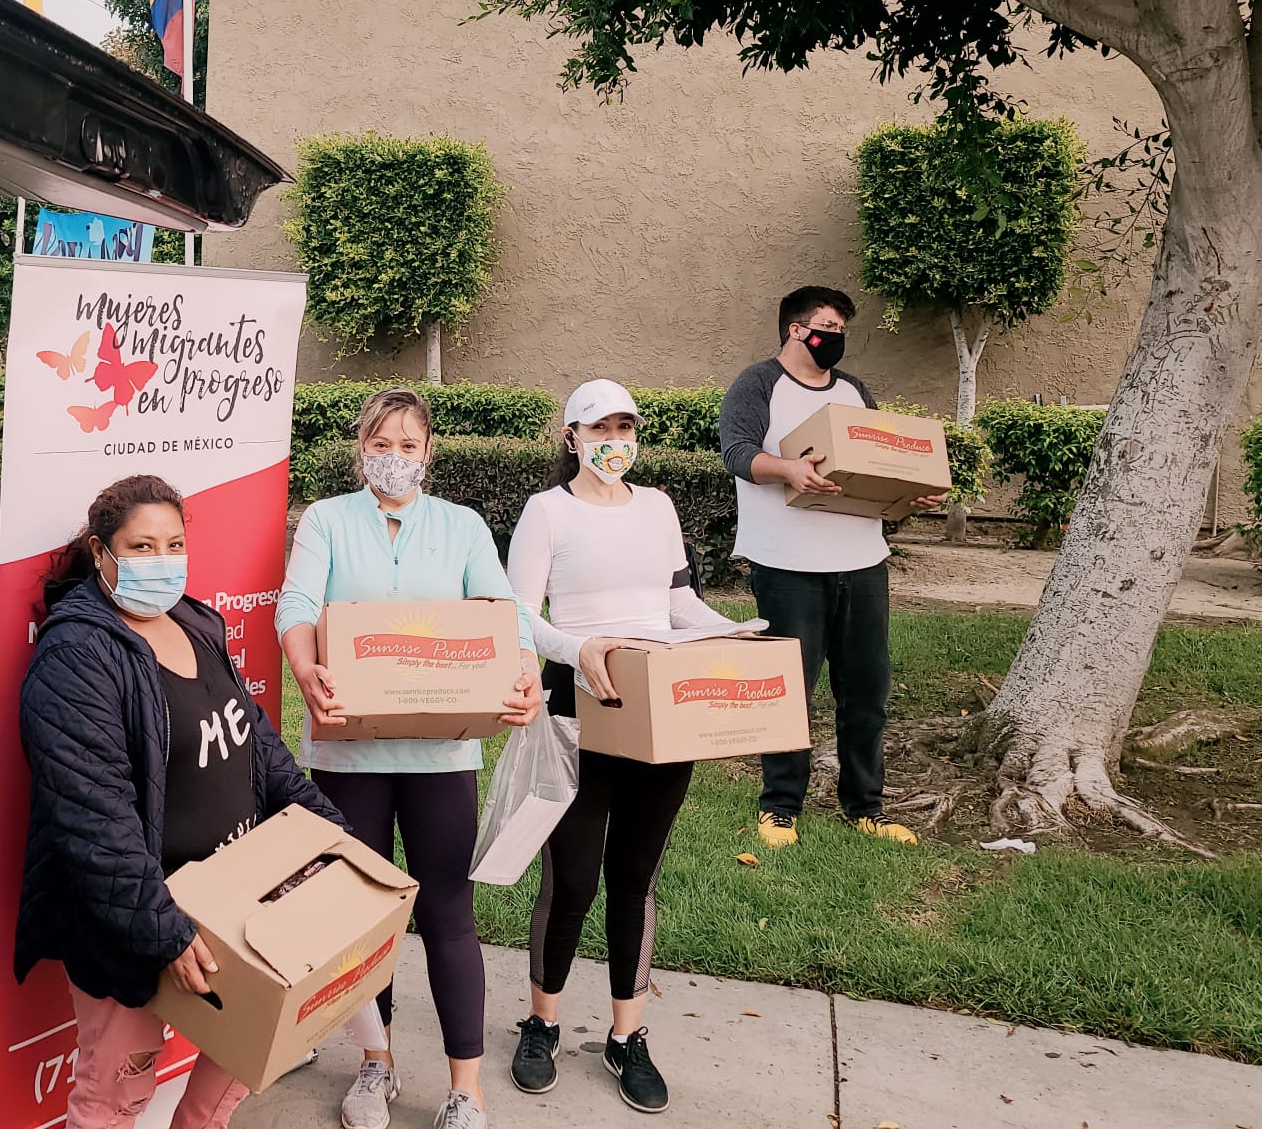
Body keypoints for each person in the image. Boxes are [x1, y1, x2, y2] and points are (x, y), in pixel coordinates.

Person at [15, 474, 348, 1129]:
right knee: (113, 1102)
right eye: (141, 547)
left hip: (235, 905)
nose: (160, 561)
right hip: (138, 926)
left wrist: (330, 835)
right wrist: (162, 927)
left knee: (247, 1052)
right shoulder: (77, 655)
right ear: (101, 552)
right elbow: (92, 815)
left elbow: (251, 739)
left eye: (173, 544)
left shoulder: (195, 621)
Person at [277, 387, 543, 1129]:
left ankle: (466, 1088)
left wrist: (524, 675)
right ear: (361, 447)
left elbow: (503, 615)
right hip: (348, 753)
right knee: (364, 919)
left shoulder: (460, 528)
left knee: (449, 915)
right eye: (381, 443)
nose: (393, 458)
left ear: (430, 453)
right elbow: (297, 606)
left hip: (441, 754)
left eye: (408, 445)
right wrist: (306, 670)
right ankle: (375, 1065)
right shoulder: (327, 521)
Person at [501, 378, 742, 1114]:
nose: (615, 440)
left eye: (626, 426)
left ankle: (625, 1037)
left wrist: (731, 634)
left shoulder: (660, 508)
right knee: (572, 879)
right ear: (570, 436)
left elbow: (676, 603)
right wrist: (581, 648)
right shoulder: (547, 512)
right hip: (578, 706)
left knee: (635, 877)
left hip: (658, 708)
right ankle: (542, 1022)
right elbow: (517, 615)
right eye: (599, 427)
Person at [718, 286, 944, 850]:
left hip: (862, 561)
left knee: (867, 690)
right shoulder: (758, 383)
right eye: (827, 324)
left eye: (842, 326)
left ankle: (864, 806)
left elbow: (874, 465)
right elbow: (737, 452)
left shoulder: (852, 391)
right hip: (788, 563)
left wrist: (907, 494)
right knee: (791, 689)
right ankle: (780, 808)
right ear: (796, 329)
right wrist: (789, 471)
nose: (836, 336)